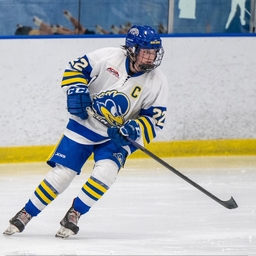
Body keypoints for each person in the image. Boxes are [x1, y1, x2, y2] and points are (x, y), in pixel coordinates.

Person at [3, 25, 168, 239]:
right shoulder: (109, 56)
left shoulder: (158, 81)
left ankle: (75, 213)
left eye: (153, 53)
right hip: (85, 123)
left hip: (117, 136)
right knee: (63, 174)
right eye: (145, 52)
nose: (150, 58)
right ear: (132, 49)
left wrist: (134, 128)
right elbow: (75, 68)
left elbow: (154, 119)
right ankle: (27, 212)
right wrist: (76, 88)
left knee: (105, 173)